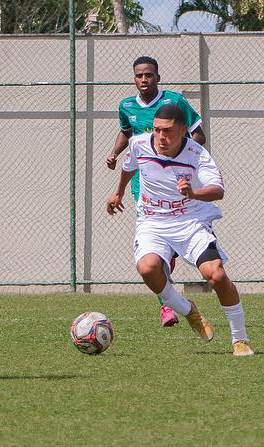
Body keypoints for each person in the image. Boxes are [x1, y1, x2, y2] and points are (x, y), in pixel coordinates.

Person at [106, 103, 252, 356]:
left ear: (183, 129)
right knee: (147, 268)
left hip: (190, 222)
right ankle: (188, 311)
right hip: (152, 222)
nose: (162, 137)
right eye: (158, 130)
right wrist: (117, 193)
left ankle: (240, 338)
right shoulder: (139, 143)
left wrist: (193, 192)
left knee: (215, 274)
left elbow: (218, 190)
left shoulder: (197, 154)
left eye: (169, 131)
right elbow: (129, 167)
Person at [106, 56, 204, 329]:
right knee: (156, 253)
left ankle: (173, 297)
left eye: (149, 74)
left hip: (177, 186)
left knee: (169, 250)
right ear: (134, 79)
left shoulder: (174, 103)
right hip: (145, 188)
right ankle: (167, 306)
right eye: (139, 75)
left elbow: (199, 136)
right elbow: (126, 133)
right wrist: (115, 153)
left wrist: (185, 163)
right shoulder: (126, 106)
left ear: (158, 77)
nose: (144, 79)